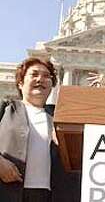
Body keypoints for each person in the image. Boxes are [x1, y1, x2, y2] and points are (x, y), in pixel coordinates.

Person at [0, 57, 73, 202]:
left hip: (49, 195)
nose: (40, 79)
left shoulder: (60, 116)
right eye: (34, 75)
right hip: (7, 192)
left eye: (47, 76)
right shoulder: (5, 109)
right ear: (20, 83)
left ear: (52, 85)